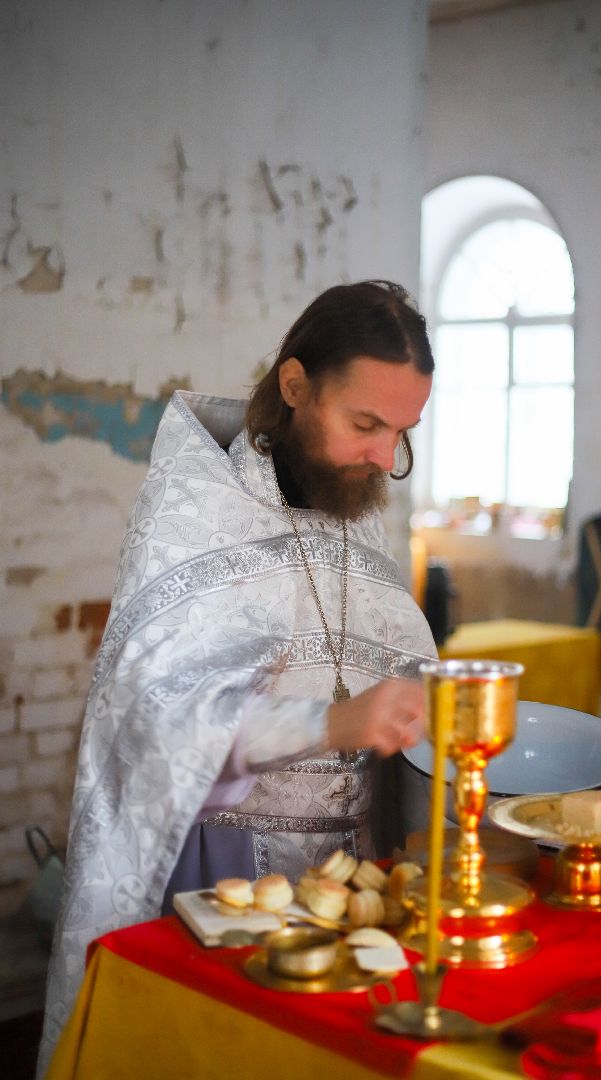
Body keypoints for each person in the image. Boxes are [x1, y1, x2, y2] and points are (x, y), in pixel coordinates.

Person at [37, 280, 437, 1074]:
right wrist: (334, 725)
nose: (385, 459)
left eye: (403, 432)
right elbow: (152, 726)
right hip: (219, 871)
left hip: (356, 872)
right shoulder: (192, 512)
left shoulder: (356, 500)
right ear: (295, 387)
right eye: (366, 424)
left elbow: (388, 662)